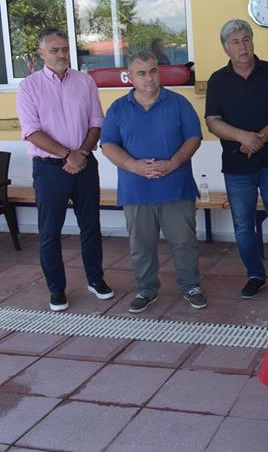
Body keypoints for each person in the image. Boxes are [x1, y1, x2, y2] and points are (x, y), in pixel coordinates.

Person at [16, 28, 114, 311]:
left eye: (64, 49)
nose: (61, 55)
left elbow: (96, 122)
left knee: (91, 226)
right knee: (50, 231)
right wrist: (67, 155)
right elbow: (32, 131)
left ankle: (95, 280)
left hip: (84, 164)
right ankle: (56, 289)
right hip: (49, 169)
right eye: (54, 50)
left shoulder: (85, 81)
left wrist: (80, 154)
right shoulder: (29, 87)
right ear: (41, 53)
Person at [101, 50, 206, 313]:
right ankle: (146, 289)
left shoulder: (179, 103)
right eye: (141, 73)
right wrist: (133, 166)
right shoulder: (118, 108)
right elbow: (108, 145)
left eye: (153, 71)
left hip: (176, 187)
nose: (149, 78)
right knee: (141, 246)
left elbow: (194, 138)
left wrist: (173, 163)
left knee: (184, 242)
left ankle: (191, 286)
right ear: (130, 77)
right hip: (136, 190)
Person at [206, 19, 268, 298]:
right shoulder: (217, 80)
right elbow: (212, 121)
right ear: (226, 48)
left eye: (246, 39)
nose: (242, 46)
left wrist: (259, 139)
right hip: (237, 166)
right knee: (243, 226)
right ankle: (255, 274)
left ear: (253, 41)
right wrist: (243, 137)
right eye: (235, 42)